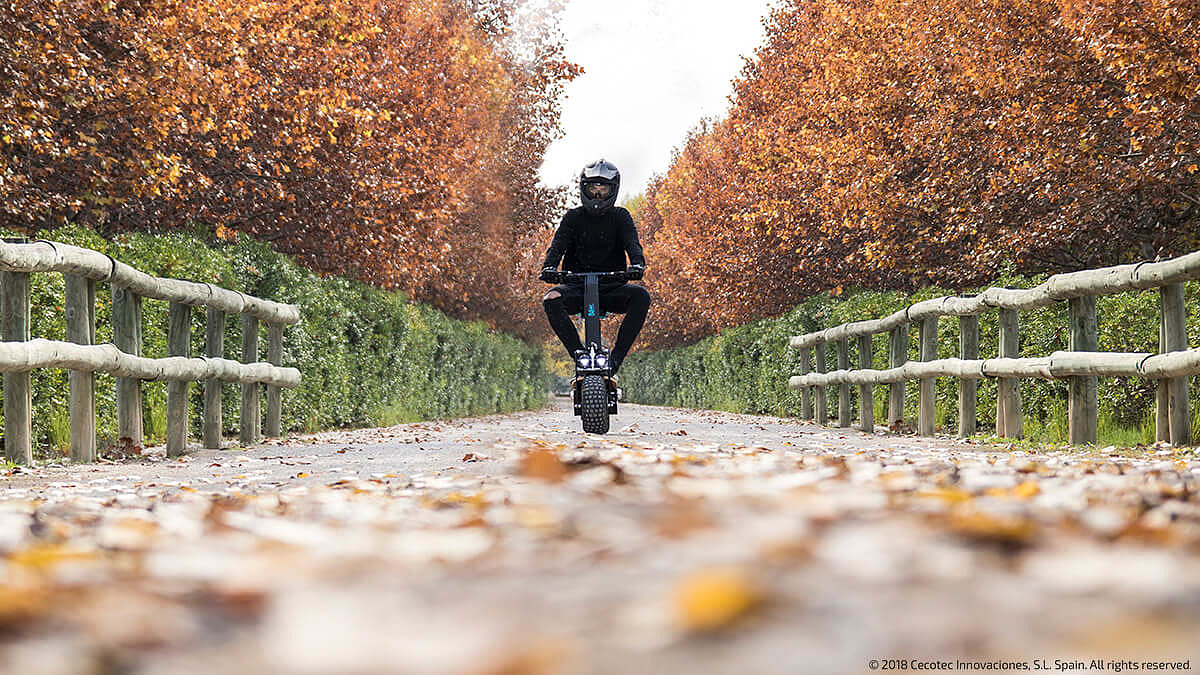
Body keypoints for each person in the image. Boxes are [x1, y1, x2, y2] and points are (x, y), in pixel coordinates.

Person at [540, 159, 650, 378]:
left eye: (604, 189)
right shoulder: (573, 218)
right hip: (577, 287)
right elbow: (557, 246)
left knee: (642, 297)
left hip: (612, 286)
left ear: (613, 190)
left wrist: (637, 264)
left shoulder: (621, 216)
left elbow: (633, 244)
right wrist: (549, 267)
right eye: (593, 189)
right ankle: (579, 354)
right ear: (584, 189)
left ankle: (615, 359)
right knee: (550, 298)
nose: (598, 195)